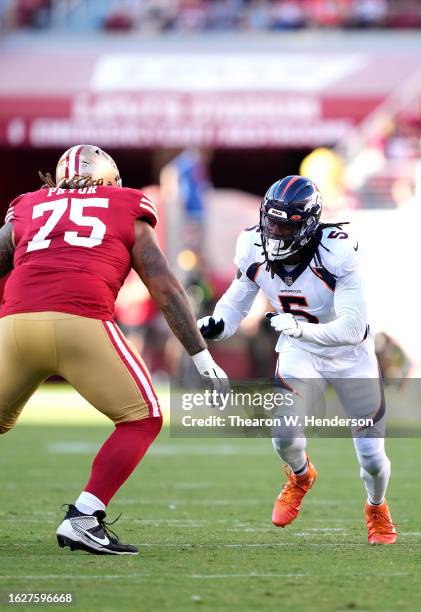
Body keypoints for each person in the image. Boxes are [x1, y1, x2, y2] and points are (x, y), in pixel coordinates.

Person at [0, 144, 228, 556]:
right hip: (81, 325)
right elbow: (164, 285)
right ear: (109, 178)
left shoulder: (29, 205)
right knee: (144, 418)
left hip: (15, 327)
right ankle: (84, 518)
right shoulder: (125, 204)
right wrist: (201, 354)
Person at [198, 175, 396, 545]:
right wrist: (217, 326)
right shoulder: (253, 245)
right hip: (300, 351)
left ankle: (376, 507)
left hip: (351, 357)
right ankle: (301, 475)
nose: (272, 232)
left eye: (283, 225)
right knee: (284, 436)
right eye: (269, 221)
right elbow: (236, 300)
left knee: (371, 456)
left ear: (307, 226)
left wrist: (300, 329)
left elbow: (353, 328)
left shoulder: (338, 252)